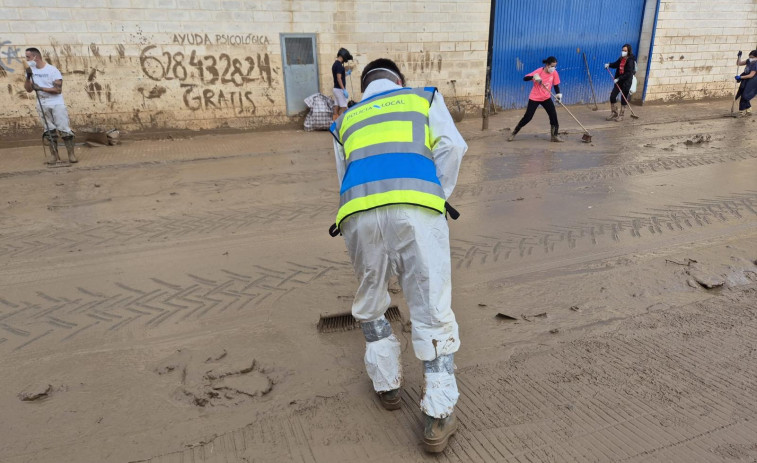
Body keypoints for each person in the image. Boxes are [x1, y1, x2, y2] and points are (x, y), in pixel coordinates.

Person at [329, 58, 467, 453]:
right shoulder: (422, 98)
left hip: (357, 215)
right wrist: (436, 193)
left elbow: (345, 175)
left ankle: (387, 386)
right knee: (430, 303)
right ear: (399, 81)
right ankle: (438, 416)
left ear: (365, 84)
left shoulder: (345, 120)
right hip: (416, 211)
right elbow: (452, 147)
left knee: (371, 300)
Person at [23, 47, 77, 165]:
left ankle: (71, 154)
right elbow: (28, 90)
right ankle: (54, 155)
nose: (26, 59)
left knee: (64, 129)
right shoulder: (31, 70)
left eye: (28, 57)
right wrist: (28, 77)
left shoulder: (53, 70)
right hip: (42, 104)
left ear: (35, 57)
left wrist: (41, 88)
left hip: (56, 103)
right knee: (49, 131)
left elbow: (58, 90)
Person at [507, 56, 563, 142]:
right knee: (528, 117)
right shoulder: (539, 71)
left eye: (555, 66)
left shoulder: (554, 73)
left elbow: (556, 85)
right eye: (552, 66)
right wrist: (534, 77)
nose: (553, 68)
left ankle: (554, 136)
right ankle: (514, 133)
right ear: (547, 65)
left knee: (553, 116)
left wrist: (558, 95)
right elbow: (525, 78)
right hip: (535, 98)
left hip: (546, 98)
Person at [604, 44, 636, 122]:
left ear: (628, 51)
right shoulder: (621, 58)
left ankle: (621, 115)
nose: (623, 52)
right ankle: (614, 113)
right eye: (623, 50)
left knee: (623, 98)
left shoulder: (630, 60)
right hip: (619, 81)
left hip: (626, 82)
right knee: (612, 96)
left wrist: (619, 78)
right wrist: (609, 65)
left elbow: (629, 73)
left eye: (625, 50)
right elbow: (616, 64)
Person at [331, 47, 353, 121]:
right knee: (343, 107)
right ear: (344, 57)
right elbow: (339, 78)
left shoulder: (335, 64)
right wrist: (343, 89)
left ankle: (334, 123)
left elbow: (339, 75)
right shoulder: (340, 66)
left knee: (336, 106)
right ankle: (341, 123)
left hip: (335, 89)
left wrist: (346, 73)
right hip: (340, 89)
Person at [735, 50, 757, 117]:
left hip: (753, 81)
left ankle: (741, 111)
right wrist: (739, 57)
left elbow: (751, 75)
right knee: (742, 93)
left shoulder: (756, 64)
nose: (750, 58)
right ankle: (748, 109)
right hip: (746, 79)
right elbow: (739, 63)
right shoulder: (748, 61)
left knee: (745, 95)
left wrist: (740, 77)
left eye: (752, 57)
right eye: (749, 57)